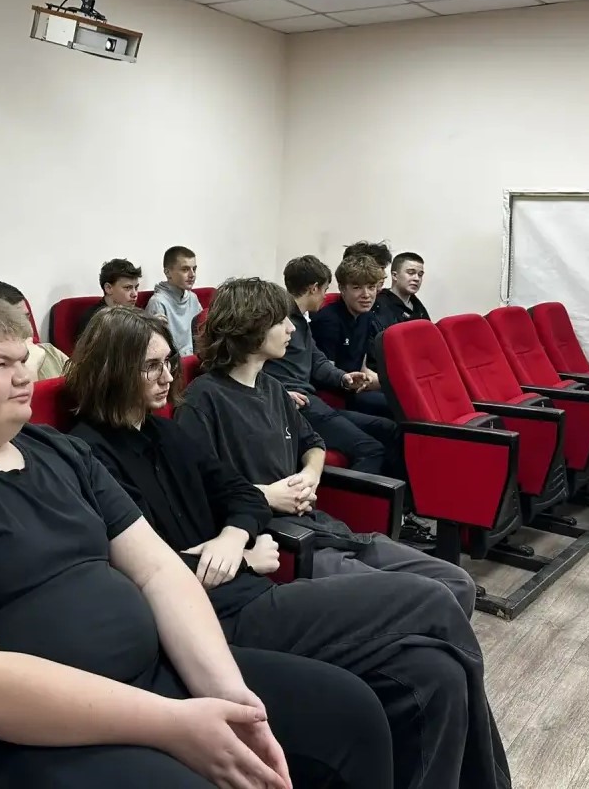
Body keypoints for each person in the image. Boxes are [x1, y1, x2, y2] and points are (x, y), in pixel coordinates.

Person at [0, 292, 395, 789]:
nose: (25, 377)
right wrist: (172, 724)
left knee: (349, 714)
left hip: (157, 679)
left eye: (24, 359)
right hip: (36, 733)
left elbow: (158, 570)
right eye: (1, 364)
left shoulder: (61, 452)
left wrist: (226, 695)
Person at [67, 306, 511, 789]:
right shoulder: (87, 455)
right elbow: (138, 568)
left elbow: (241, 494)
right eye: (151, 366)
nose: (168, 376)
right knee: (435, 598)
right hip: (210, 621)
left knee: (436, 672)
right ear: (113, 369)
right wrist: (242, 556)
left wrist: (232, 537)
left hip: (250, 592)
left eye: (168, 362)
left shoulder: (162, 431)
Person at [179, 277, 473, 612]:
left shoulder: (272, 388)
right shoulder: (203, 398)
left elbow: (314, 444)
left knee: (457, 582)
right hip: (277, 538)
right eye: (280, 321)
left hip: (322, 527)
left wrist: (310, 475)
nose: (291, 328)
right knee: (430, 598)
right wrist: (266, 495)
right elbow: (194, 491)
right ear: (251, 327)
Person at [263, 256, 397, 478]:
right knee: (371, 449)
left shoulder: (301, 322)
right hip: (298, 404)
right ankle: (355, 501)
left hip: (310, 401)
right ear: (314, 288)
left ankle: (398, 498)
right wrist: (280, 394)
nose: (326, 296)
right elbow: (257, 368)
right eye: (325, 289)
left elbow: (318, 361)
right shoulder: (280, 322)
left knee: (389, 429)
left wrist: (343, 378)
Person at [310, 254, 390, 418]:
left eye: (371, 287)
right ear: (342, 289)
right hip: (336, 392)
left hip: (356, 387)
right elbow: (326, 374)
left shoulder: (367, 316)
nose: (366, 294)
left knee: (403, 400)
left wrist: (390, 383)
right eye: (357, 287)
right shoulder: (328, 320)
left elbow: (363, 367)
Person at [0, 280, 69, 380]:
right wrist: (30, 366)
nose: (28, 328)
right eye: (14, 322)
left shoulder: (50, 352)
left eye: (27, 317)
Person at [145, 246, 202, 356]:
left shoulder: (193, 298)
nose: (192, 275)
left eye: (194, 269)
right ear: (167, 273)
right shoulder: (158, 302)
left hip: (197, 358)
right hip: (175, 361)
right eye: (185, 269)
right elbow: (156, 348)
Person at [74, 258, 142, 340]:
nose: (135, 294)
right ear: (108, 288)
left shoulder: (137, 313)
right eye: (127, 288)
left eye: (136, 288)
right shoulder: (93, 320)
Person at [373, 251, 430, 328]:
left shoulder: (417, 306)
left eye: (420, 275)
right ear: (394, 275)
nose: (417, 279)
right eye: (411, 273)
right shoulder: (379, 303)